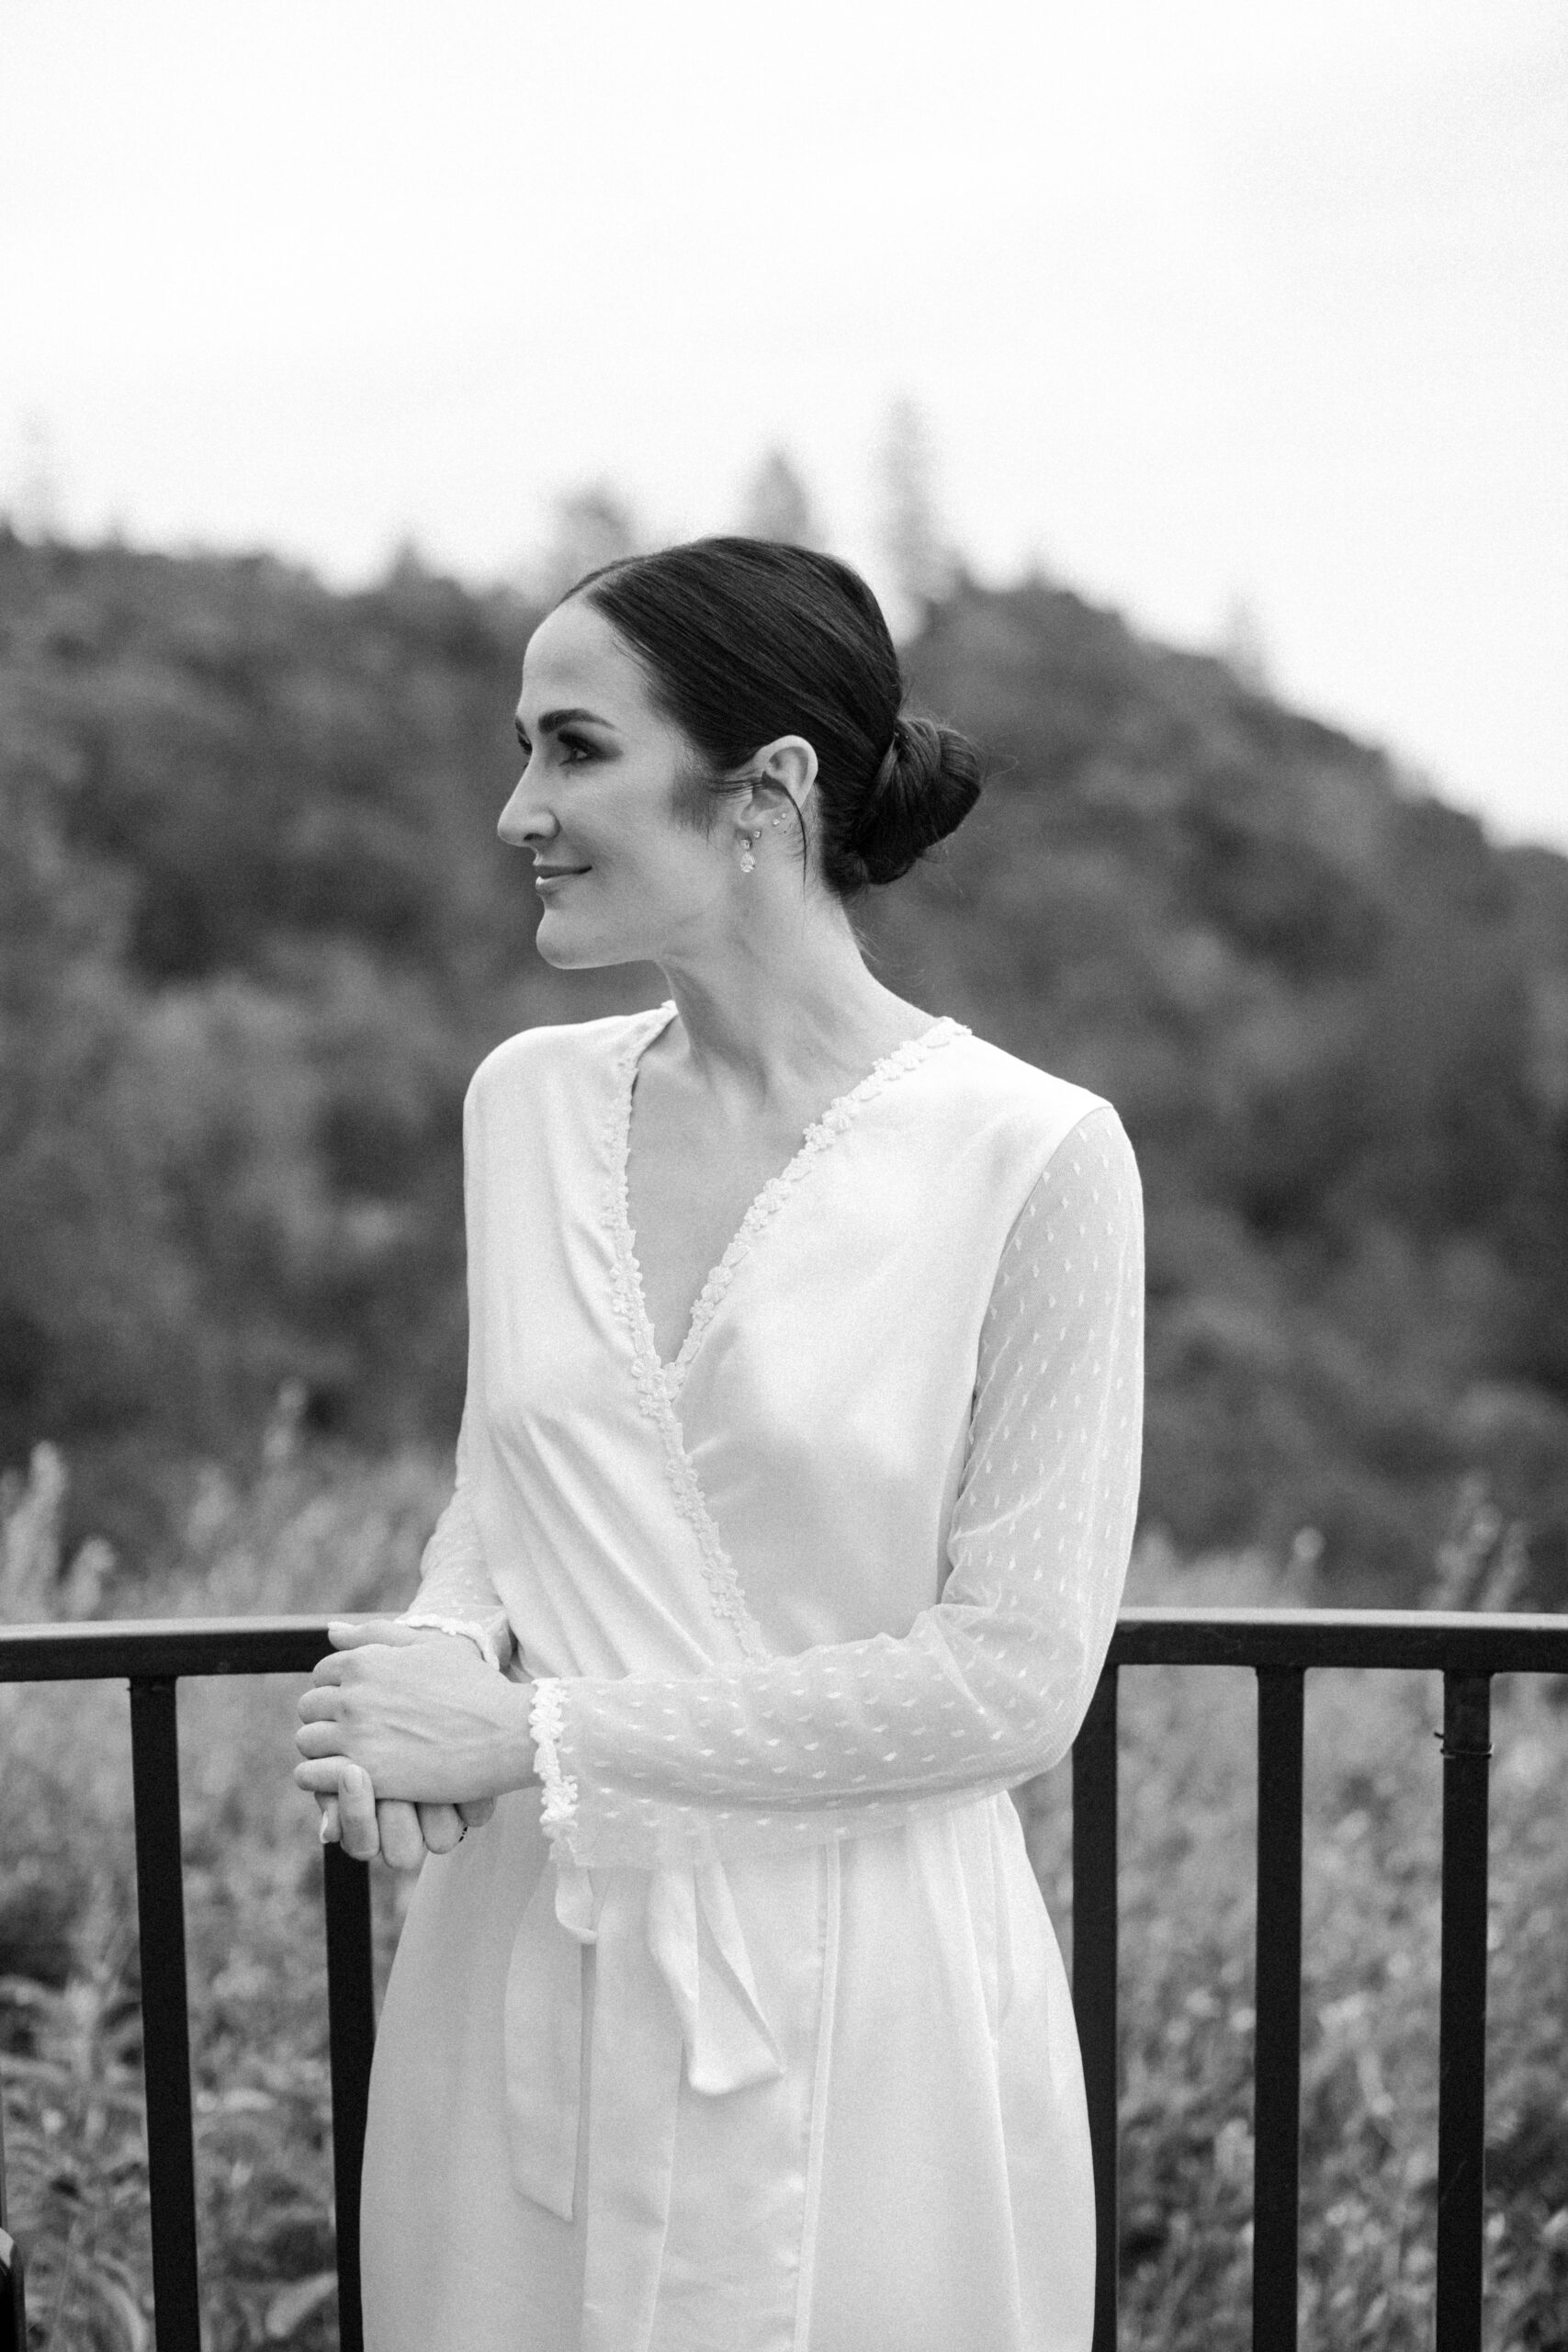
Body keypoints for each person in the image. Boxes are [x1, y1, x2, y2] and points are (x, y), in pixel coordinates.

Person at [294, 537, 1144, 2352]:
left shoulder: (1035, 1156)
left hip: (874, 2004)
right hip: (527, 1970)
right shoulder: (521, 1105)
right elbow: (504, 1487)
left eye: (573, 746)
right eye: (524, 744)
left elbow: (1011, 1680)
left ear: (766, 788)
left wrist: (524, 1730)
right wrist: (425, 1673)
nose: (517, 803)